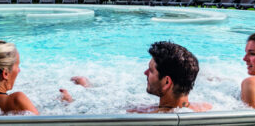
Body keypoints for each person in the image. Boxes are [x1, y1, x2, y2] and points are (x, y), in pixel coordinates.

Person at [64, 41, 210, 113]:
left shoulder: (145, 116)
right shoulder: (205, 108)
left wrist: (70, 103)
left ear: (166, 82)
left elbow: (95, 115)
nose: (145, 73)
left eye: (151, 71)